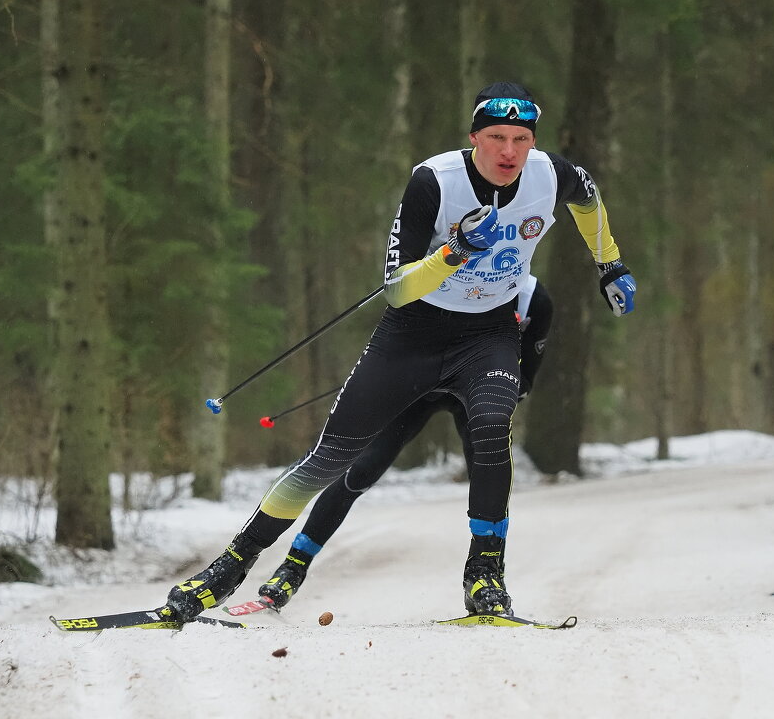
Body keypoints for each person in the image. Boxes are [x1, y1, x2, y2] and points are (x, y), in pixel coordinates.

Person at [159, 82, 636, 622]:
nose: (509, 152)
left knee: (491, 425)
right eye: (496, 137)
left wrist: (609, 264)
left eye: (521, 139)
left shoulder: (552, 174)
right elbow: (397, 288)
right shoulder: (435, 181)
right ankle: (228, 567)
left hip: (489, 333)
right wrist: (454, 252)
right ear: (474, 137)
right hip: (413, 333)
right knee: (331, 461)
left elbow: (589, 201)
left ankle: (485, 576)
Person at [257, 275, 553, 609]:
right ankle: (293, 567)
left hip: (475, 392)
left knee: (491, 474)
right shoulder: (449, 274)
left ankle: (488, 578)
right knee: (359, 472)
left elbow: (525, 380)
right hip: (420, 388)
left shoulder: (533, 300)